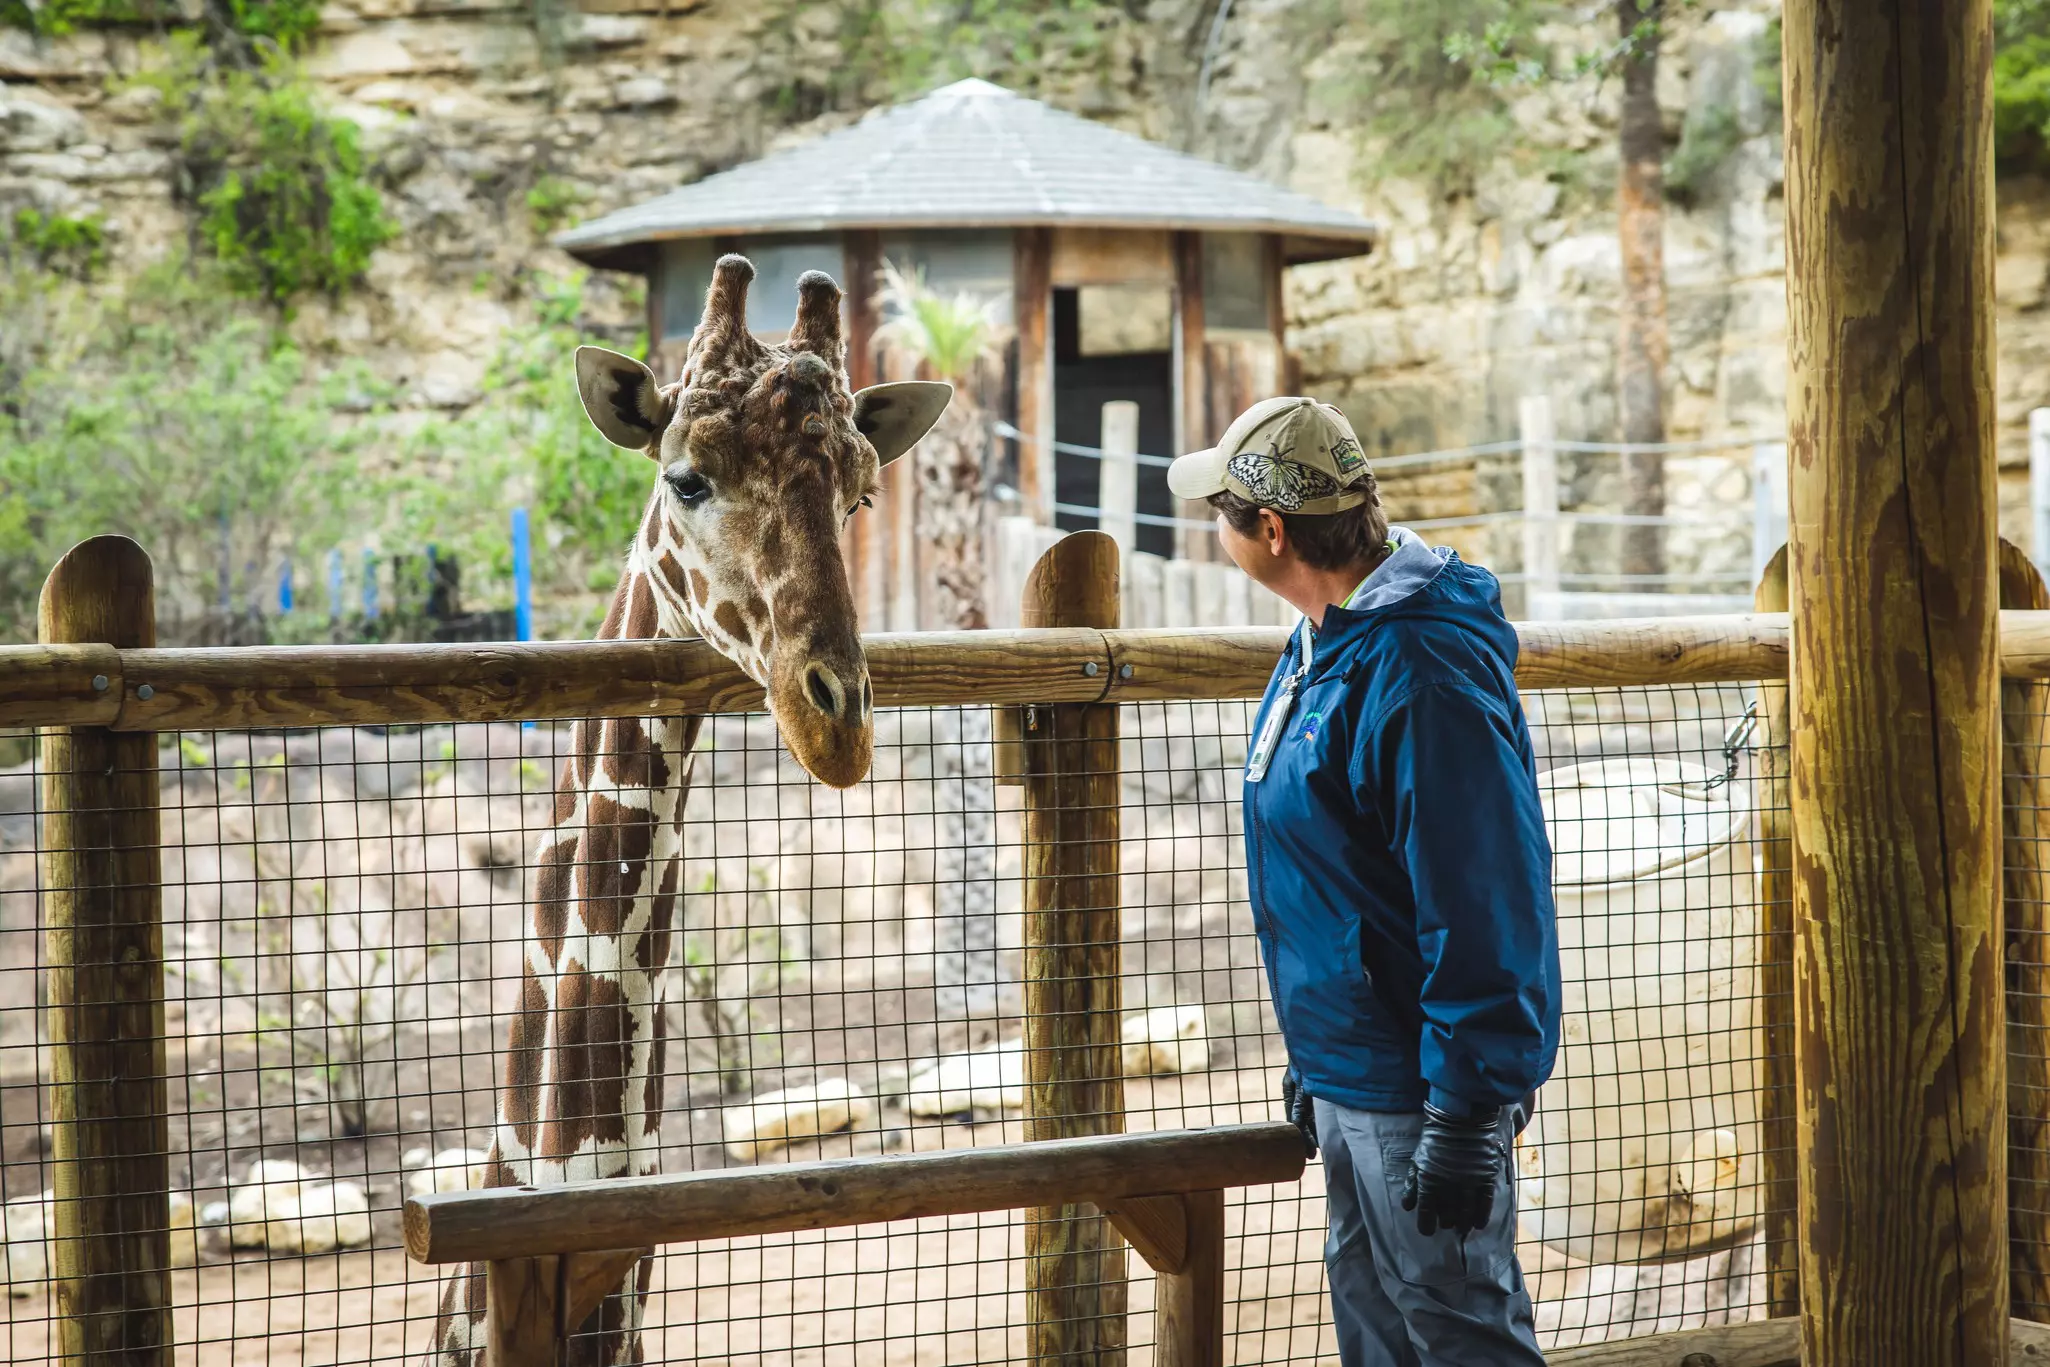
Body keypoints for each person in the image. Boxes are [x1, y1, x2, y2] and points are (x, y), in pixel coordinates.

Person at [1167, 396, 1560, 1367]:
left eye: (1221, 512)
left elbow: (1481, 894)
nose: (1217, 530)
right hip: (1357, 1064)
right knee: (1378, 1316)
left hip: (1417, 1084)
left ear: (1270, 530)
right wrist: (1317, 1055)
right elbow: (1348, 870)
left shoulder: (1416, 669)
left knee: (1457, 1327)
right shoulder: (1328, 638)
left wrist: (1465, 1109)